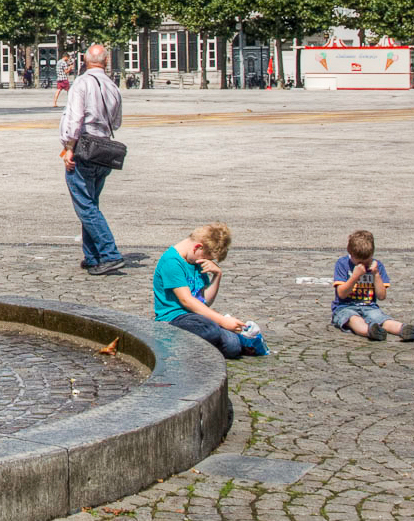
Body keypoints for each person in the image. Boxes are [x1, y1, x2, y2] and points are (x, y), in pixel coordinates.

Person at [152, 223, 264, 359]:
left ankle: (202, 345)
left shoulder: (196, 261)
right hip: (173, 319)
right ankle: (178, 343)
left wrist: (217, 275)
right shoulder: (172, 262)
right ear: (198, 247)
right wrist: (222, 321)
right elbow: (186, 300)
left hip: (197, 318)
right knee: (211, 330)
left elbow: (204, 301)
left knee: (232, 345)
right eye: (207, 257)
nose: (206, 261)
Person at [60, 43, 125, 276]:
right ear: (106, 62)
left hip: (84, 147)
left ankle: (109, 253)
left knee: (84, 205)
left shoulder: (81, 83)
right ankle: (92, 255)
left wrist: (69, 148)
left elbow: (75, 118)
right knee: (92, 202)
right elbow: (116, 122)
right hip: (104, 150)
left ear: (85, 61)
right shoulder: (113, 86)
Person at [331, 230, 414, 343]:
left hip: (369, 306)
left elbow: (381, 296)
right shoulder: (342, 264)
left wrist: (376, 275)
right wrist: (355, 276)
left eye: (367, 261)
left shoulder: (377, 266)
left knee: (381, 319)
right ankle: (369, 331)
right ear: (350, 253)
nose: (363, 264)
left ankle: (404, 329)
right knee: (353, 319)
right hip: (345, 307)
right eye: (358, 261)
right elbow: (341, 294)